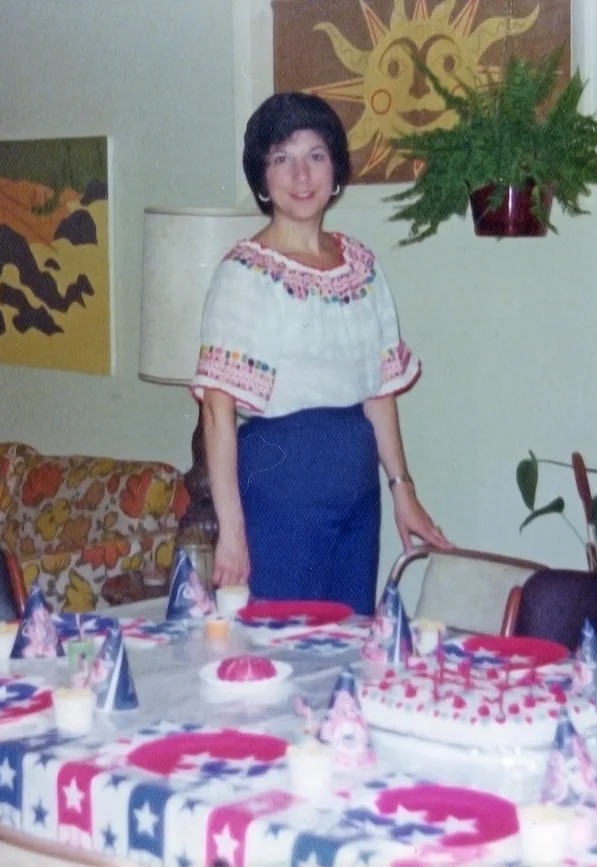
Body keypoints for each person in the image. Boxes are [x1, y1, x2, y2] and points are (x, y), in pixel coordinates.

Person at [189, 92, 452, 617]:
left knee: (347, 644)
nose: (301, 175)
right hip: (282, 483)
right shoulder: (245, 274)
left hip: (357, 484)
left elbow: (379, 388)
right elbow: (217, 411)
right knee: (282, 649)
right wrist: (233, 533)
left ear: (336, 169)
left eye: (315, 155)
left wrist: (403, 490)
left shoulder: (361, 264)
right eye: (281, 158)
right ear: (261, 178)